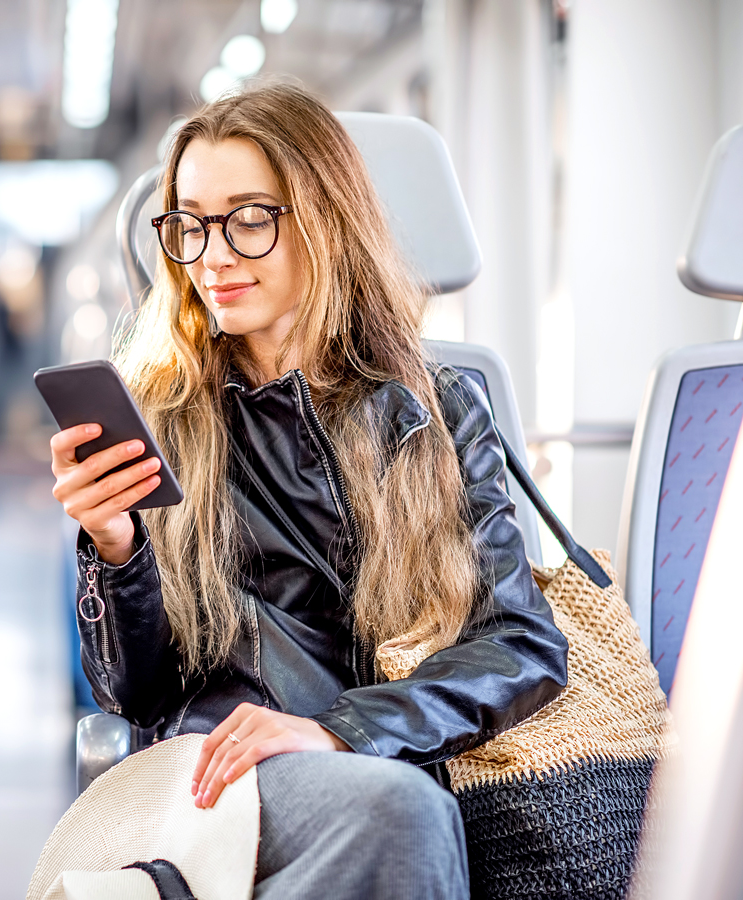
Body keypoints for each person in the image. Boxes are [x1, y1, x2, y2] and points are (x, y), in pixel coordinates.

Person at [49, 82, 568, 899]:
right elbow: (134, 693)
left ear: (324, 221)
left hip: (385, 759)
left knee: (401, 812)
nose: (213, 257)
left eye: (249, 219)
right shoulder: (159, 411)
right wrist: (117, 551)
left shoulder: (435, 411)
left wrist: (341, 730)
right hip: (218, 774)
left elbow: (522, 644)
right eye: (190, 224)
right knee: (403, 816)